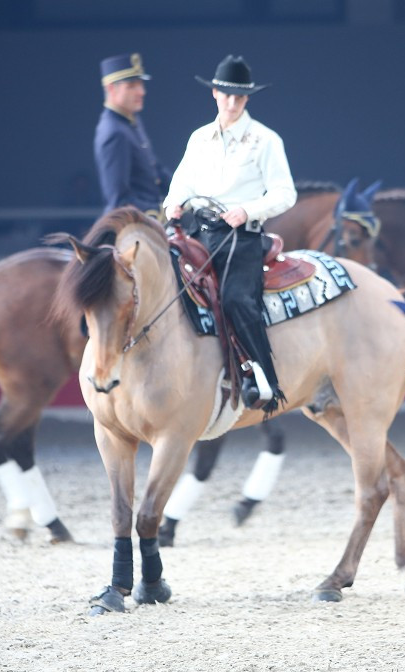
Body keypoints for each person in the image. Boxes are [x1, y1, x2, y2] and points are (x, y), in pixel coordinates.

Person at [163, 54, 297, 412]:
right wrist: (174, 206)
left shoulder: (265, 140)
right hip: (199, 230)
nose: (233, 103)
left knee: (238, 298)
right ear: (215, 96)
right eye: (227, 96)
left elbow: (286, 194)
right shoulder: (199, 138)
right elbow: (181, 184)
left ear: (248, 99)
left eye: (240, 97)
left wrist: (248, 210)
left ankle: (264, 379)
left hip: (241, 237)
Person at [94, 53, 169, 216]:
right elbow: (119, 201)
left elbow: (156, 170)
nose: (141, 92)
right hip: (134, 228)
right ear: (111, 89)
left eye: (140, 84)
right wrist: (162, 211)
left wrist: (182, 195)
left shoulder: (130, 121)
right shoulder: (113, 132)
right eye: (131, 86)